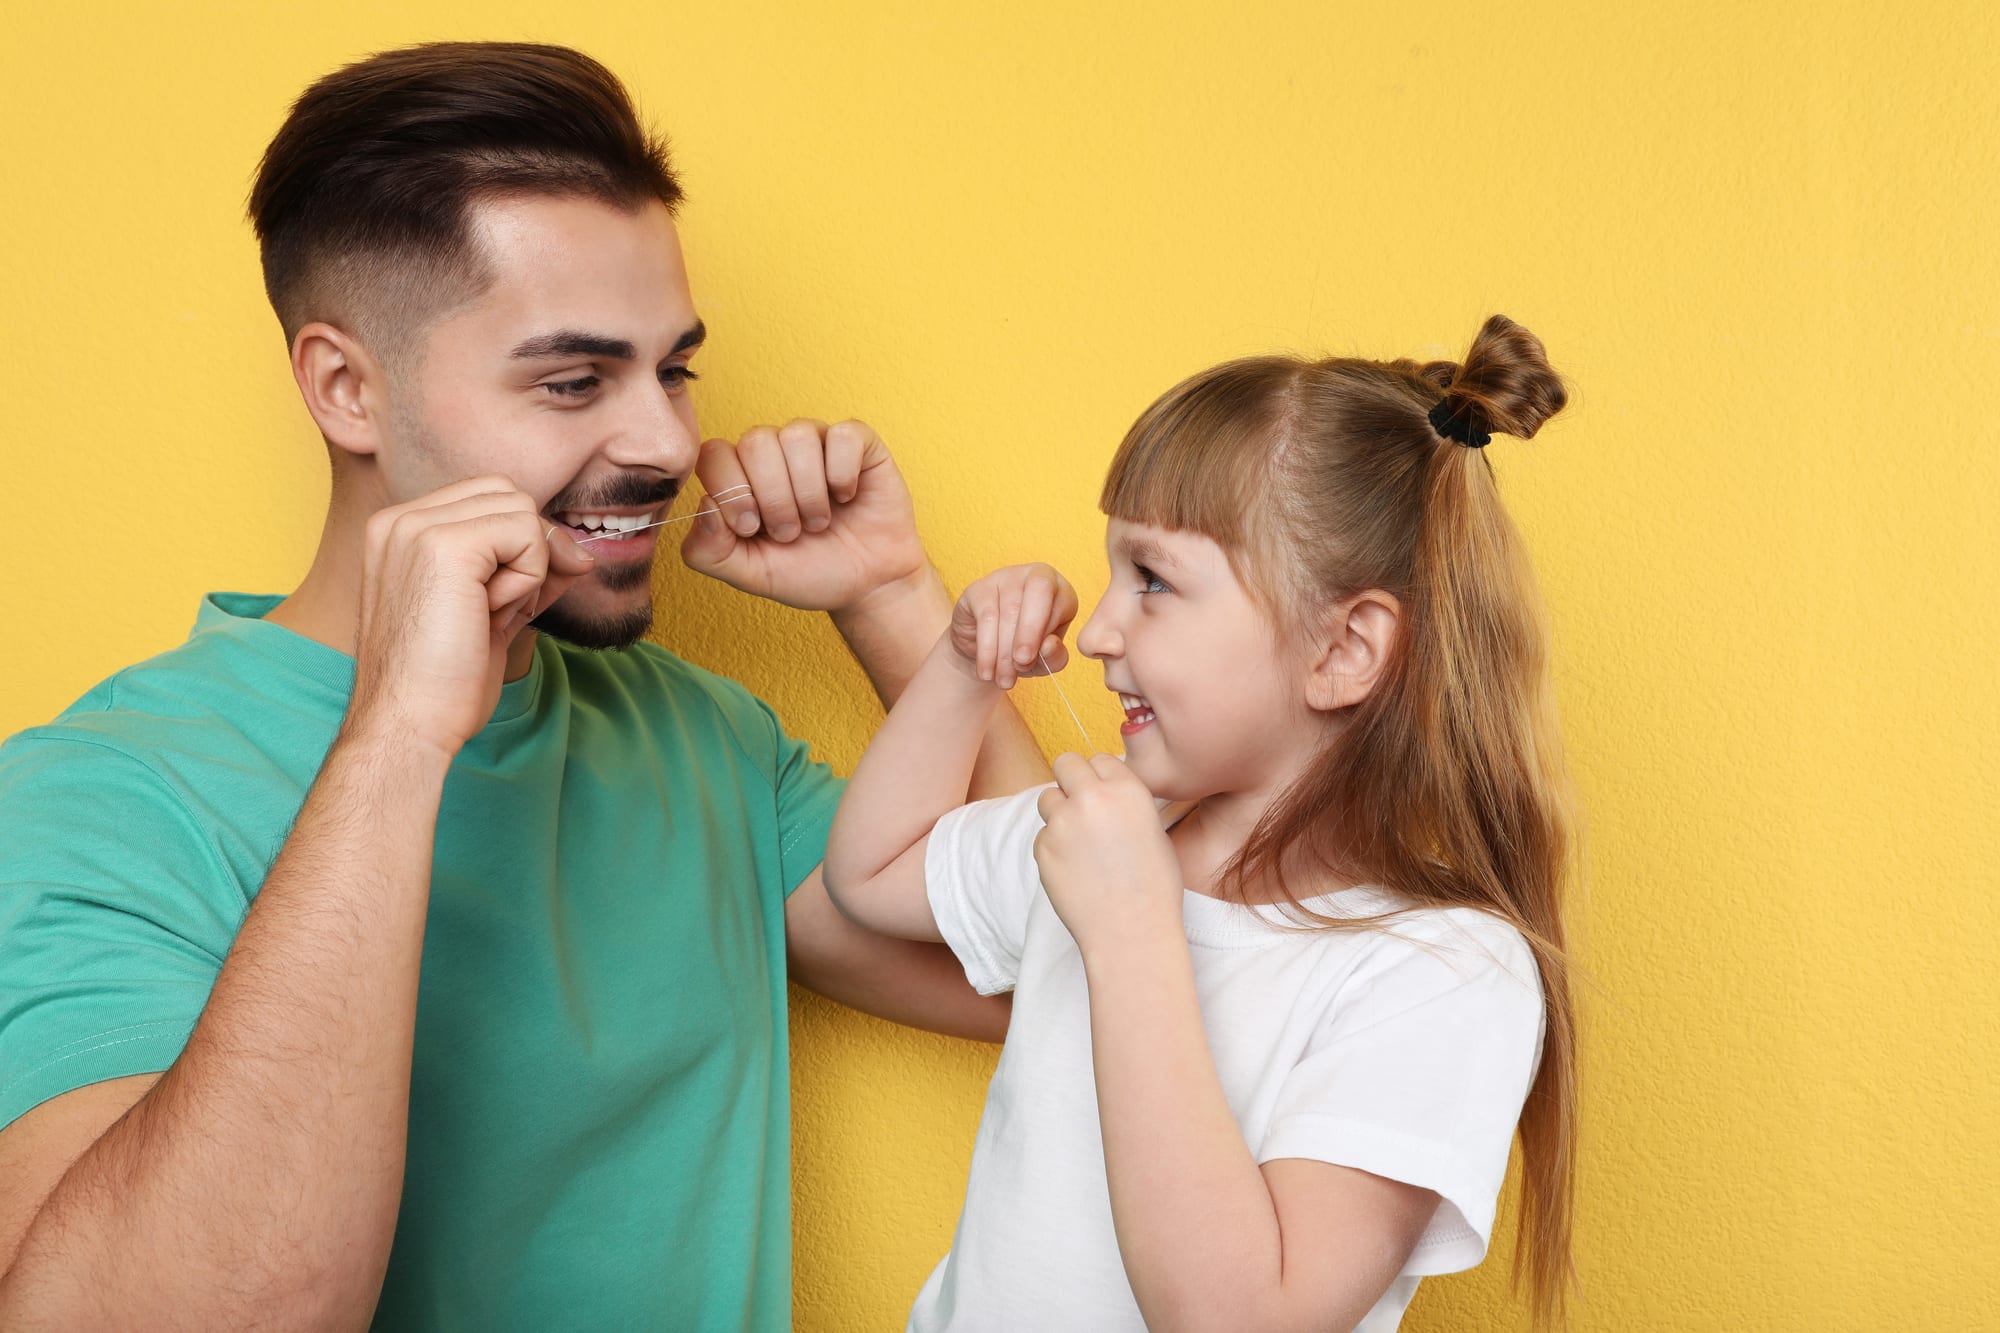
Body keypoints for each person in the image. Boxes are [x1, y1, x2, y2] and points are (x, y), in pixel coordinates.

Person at [0, 42, 1046, 1329]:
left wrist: (891, 601)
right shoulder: (99, 794)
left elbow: (1092, 984)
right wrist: (400, 736)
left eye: (672, 369)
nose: (667, 442)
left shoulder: (707, 740)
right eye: (571, 380)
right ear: (346, 389)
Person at [824, 315, 1581, 1331]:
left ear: (1343, 649)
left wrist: (1133, 933)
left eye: (1152, 580)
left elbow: (1240, 1318)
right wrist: (963, 668)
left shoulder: (1437, 970)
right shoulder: (1114, 837)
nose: (1095, 630)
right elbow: (870, 874)